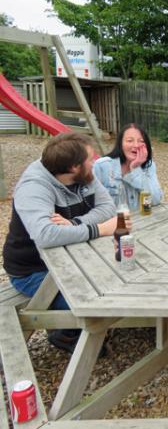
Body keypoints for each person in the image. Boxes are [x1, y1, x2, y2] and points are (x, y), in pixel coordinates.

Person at [2, 132, 117, 353]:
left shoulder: (85, 176)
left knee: (117, 277)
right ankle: (66, 334)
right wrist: (98, 229)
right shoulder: (33, 187)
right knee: (93, 299)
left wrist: (74, 224)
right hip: (33, 271)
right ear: (74, 167)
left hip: (74, 257)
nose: (95, 161)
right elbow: (46, 235)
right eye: (90, 158)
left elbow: (107, 208)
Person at [93, 123, 163, 210]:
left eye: (141, 141)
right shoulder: (102, 166)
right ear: (120, 144)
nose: (136, 145)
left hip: (143, 222)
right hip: (114, 222)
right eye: (130, 141)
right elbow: (91, 204)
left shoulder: (149, 166)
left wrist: (136, 169)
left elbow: (155, 200)